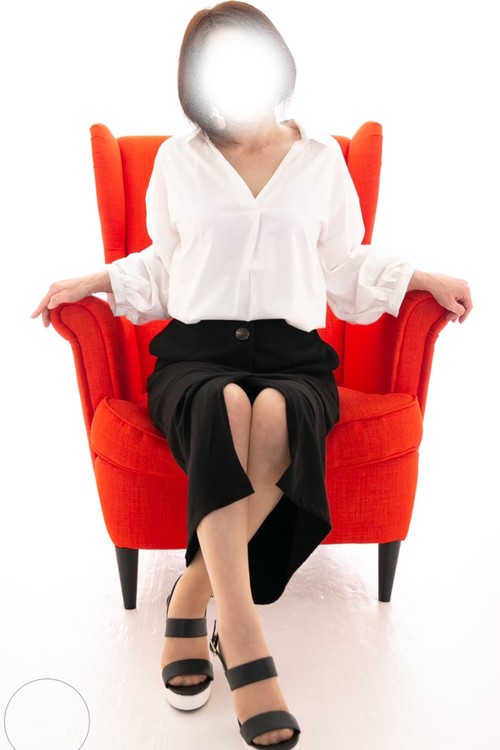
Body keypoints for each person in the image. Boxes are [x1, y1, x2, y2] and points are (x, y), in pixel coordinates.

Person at [32, 2, 472, 748]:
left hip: (293, 356)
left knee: (275, 413)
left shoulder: (321, 160)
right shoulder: (179, 161)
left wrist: (421, 276)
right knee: (226, 403)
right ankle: (241, 634)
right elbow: (166, 267)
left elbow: (343, 267)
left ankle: (189, 597)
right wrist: (94, 281)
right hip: (196, 355)